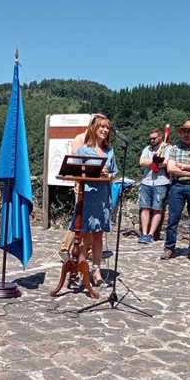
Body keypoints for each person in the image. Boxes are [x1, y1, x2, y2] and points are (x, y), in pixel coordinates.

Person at [69, 113, 117, 287]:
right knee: (84, 235)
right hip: (88, 195)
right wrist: (95, 172)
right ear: (94, 128)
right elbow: (76, 172)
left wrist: (109, 174)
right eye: (101, 127)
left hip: (103, 196)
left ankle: (96, 271)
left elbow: (114, 171)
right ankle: (82, 269)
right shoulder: (84, 150)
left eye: (107, 127)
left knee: (98, 235)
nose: (105, 130)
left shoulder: (109, 151)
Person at [161, 120, 190, 262]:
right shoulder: (175, 148)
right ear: (182, 133)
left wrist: (181, 166)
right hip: (177, 186)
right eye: (185, 131)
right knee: (172, 219)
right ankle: (169, 248)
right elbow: (170, 168)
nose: (187, 134)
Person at [138, 128, 171, 244]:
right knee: (144, 207)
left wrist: (152, 161)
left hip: (161, 182)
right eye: (150, 139)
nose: (152, 140)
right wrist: (156, 161)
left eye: (154, 138)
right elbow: (141, 162)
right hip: (147, 181)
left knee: (157, 209)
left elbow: (167, 162)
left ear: (160, 137)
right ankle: (144, 233)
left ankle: (151, 234)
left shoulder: (167, 148)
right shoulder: (147, 149)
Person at [58, 130, 87, 262]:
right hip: (82, 186)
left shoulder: (100, 142)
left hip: (96, 188)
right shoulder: (80, 138)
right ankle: (64, 248)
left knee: (89, 220)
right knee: (78, 218)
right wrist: (77, 181)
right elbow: (76, 163)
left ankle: (88, 249)